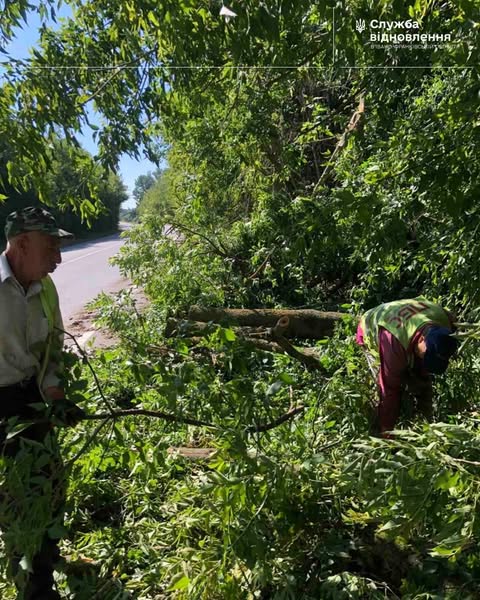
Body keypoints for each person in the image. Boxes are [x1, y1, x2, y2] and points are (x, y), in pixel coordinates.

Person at [0, 206, 85, 600]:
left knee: (51, 486)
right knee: (17, 502)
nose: (58, 259)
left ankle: (45, 558)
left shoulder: (45, 288)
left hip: (31, 399)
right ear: (21, 244)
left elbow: (53, 347)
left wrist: (56, 396)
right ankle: (33, 589)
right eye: (50, 247)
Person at [356, 297, 458, 437]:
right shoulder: (393, 344)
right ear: (421, 339)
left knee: (421, 378)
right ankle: (379, 427)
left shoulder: (444, 321)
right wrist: (387, 433)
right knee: (389, 386)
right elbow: (389, 389)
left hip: (404, 320)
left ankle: (426, 420)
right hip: (372, 327)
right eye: (427, 356)